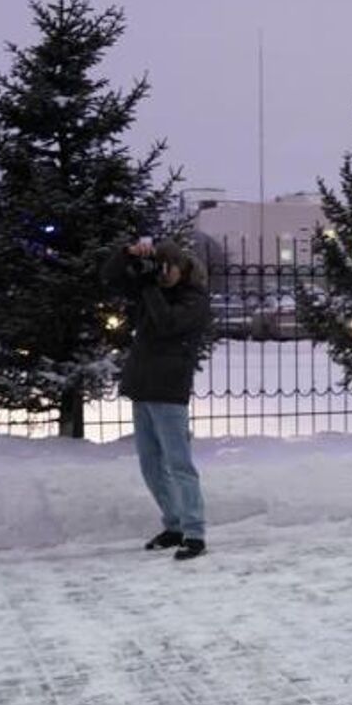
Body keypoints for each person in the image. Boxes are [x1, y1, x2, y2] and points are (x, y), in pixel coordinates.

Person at [101, 237, 213, 560]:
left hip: (169, 391)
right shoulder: (153, 289)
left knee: (179, 464)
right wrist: (127, 254)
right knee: (150, 465)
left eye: (167, 268)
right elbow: (109, 277)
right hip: (143, 387)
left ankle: (194, 532)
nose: (162, 274)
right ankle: (174, 524)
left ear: (181, 267)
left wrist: (150, 285)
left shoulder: (194, 299)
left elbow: (167, 324)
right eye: (157, 267)